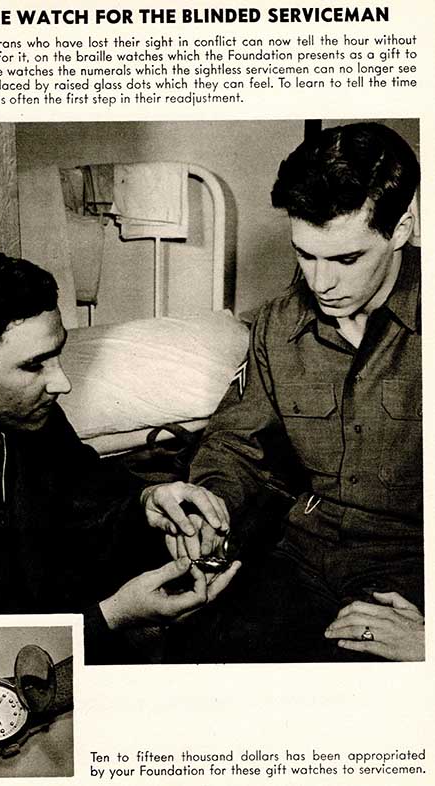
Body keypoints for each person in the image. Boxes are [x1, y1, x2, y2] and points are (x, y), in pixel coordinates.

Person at [162, 122, 424, 663]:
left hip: (409, 587)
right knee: (185, 654)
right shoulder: (279, 324)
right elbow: (237, 446)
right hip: (297, 562)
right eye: (305, 254)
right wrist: (211, 509)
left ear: (403, 227)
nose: (320, 281)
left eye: (346, 259)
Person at [0, 249, 239, 662]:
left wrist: (147, 502)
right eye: (35, 365)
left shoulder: (32, 420)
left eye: (58, 355)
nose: (62, 382)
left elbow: (84, 486)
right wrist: (111, 618)